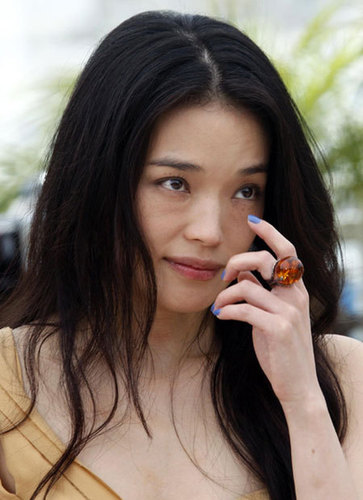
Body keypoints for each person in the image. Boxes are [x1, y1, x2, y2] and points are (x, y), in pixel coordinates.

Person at [0, 10, 362, 500]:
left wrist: (301, 402)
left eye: (246, 190)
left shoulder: (341, 380)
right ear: (98, 183)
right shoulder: (10, 385)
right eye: (175, 184)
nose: (210, 232)